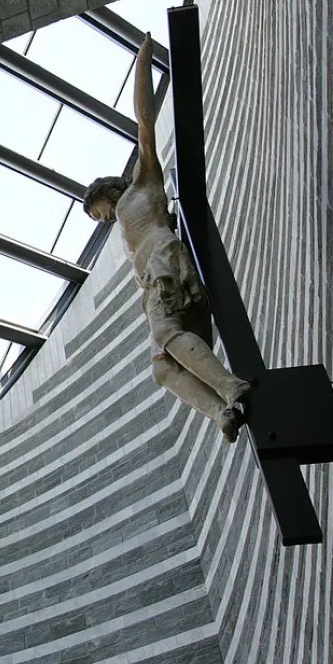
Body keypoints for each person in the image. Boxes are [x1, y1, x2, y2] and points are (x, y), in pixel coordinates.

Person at [82, 34, 250, 441]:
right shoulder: (124, 223)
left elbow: (144, 125)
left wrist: (143, 62)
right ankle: (222, 412)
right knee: (161, 369)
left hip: (165, 262)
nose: (104, 220)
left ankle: (232, 386)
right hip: (157, 280)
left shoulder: (141, 187)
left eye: (99, 212)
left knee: (162, 336)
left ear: (107, 195)